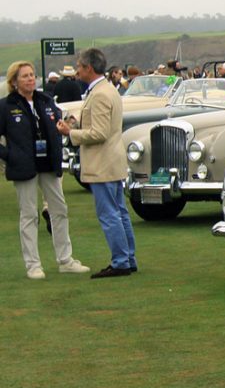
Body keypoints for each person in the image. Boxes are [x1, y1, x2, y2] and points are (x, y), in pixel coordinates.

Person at [55, 48, 137, 278]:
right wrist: (77, 124)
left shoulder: (100, 93)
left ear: (89, 68)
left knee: (110, 214)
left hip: (103, 163)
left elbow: (99, 133)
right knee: (119, 212)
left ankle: (121, 261)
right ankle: (128, 258)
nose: (77, 71)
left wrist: (71, 133)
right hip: (112, 161)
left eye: (79, 67)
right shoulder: (107, 90)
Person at [2, 62, 87, 278]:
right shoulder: (5, 106)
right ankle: (33, 265)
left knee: (59, 210)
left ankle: (65, 260)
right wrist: (10, 156)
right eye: (25, 76)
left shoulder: (46, 101)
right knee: (29, 215)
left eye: (32, 75)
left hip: (48, 165)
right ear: (14, 81)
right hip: (24, 167)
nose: (30, 79)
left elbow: (58, 125)